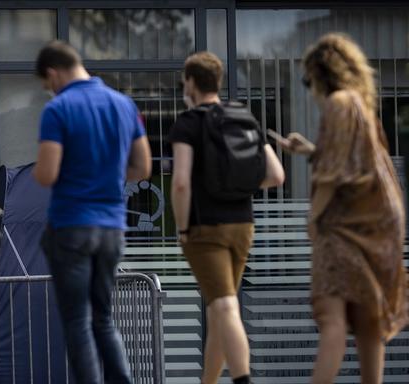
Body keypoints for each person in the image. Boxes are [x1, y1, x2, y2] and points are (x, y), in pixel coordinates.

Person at [276, 33, 408, 384]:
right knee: (368, 320)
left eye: (307, 80)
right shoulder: (361, 107)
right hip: (378, 224)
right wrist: (309, 151)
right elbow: (358, 165)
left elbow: (334, 174)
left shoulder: (337, 104)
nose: (310, 88)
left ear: (320, 73)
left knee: (330, 313)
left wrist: (314, 217)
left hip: (346, 225)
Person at [31, 41, 151, 384]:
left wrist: (47, 167)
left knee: (77, 322)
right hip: (112, 228)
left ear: (53, 73)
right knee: (103, 318)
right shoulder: (124, 104)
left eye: (47, 83)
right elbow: (142, 166)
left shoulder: (58, 109)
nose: (49, 89)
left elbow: (47, 173)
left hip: (72, 225)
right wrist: (109, 174)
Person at [169, 51, 286, 384]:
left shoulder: (188, 123)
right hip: (243, 225)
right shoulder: (242, 116)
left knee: (223, 307)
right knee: (220, 309)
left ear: (190, 82)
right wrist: (238, 186)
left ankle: (242, 379)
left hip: (206, 228)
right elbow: (276, 175)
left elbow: (179, 183)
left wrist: (182, 228)